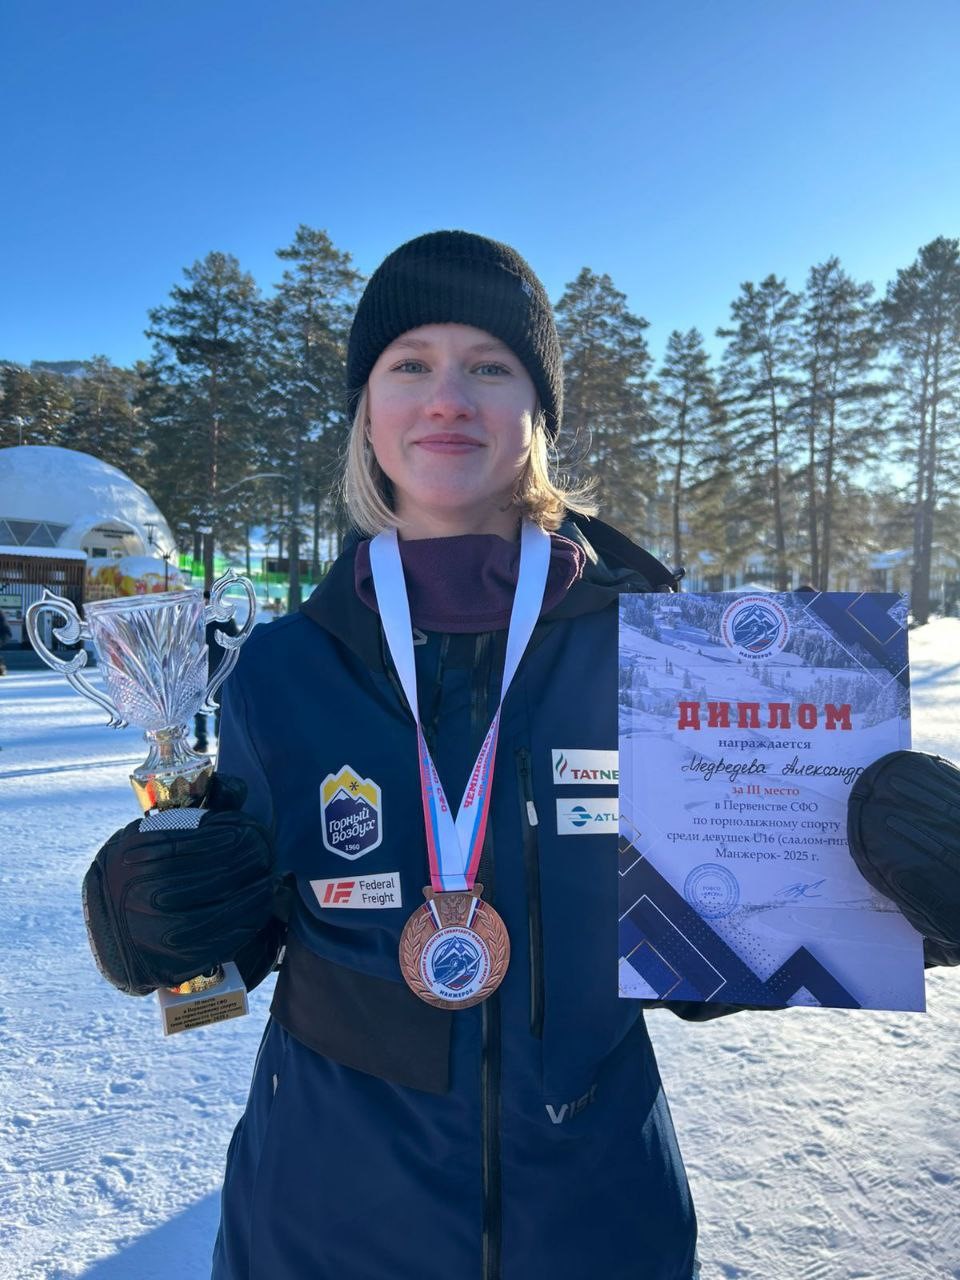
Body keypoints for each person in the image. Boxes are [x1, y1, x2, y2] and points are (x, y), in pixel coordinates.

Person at [81, 231, 960, 1280]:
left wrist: (896, 892)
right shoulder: (282, 667)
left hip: (598, 1230)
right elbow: (234, 942)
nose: (448, 395)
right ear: (367, 408)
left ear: (535, 413)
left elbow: (713, 950)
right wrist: (146, 915)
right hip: (320, 1229)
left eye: (490, 366)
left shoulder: (662, 656)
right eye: (410, 363)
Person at [193, 590, 239, 753]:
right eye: (202, 603)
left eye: (207, 602)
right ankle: (202, 741)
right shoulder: (194, 621)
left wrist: (232, 668)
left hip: (220, 673)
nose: (205, 605)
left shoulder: (225, 621)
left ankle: (222, 743)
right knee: (198, 710)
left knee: (221, 710)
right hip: (198, 673)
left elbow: (235, 644)